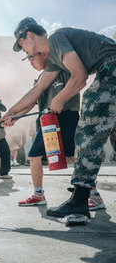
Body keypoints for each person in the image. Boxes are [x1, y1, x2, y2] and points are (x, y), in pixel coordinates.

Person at [2, 17, 116, 218]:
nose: (25, 52)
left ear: (29, 35)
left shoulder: (55, 39)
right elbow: (38, 89)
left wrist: (59, 99)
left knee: (89, 129)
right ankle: (81, 199)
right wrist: (12, 113)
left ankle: (80, 201)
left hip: (111, 66)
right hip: (109, 69)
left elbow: (79, 77)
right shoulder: (54, 59)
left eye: (22, 46)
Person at [17, 52, 105, 210]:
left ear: (44, 55)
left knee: (74, 156)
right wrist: (14, 116)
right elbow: (31, 102)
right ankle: (38, 194)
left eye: (32, 57)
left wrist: (59, 101)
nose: (30, 62)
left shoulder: (64, 69)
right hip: (47, 121)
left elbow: (78, 81)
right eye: (28, 59)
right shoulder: (39, 80)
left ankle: (94, 195)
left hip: (67, 116)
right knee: (34, 156)